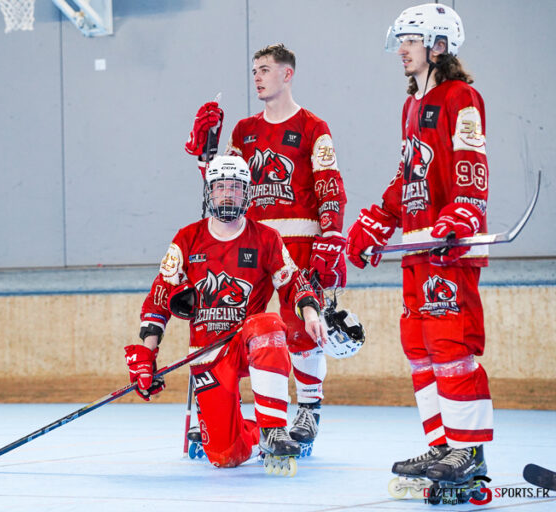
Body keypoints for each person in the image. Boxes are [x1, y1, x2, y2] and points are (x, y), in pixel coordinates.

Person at [346, 3, 491, 492]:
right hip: (415, 247)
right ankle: (440, 443)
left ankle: (467, 449)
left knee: (452, 345)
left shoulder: (461, 96)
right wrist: (376, 220)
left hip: (447, 247)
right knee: (420, 349)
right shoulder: (411, 106)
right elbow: (411, 175)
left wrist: (462, 215)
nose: (402, 49)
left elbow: (471, 165)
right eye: (401, 40)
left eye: (412, 39)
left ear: (439, 45)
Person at [184, 43, 347, 451]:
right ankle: (223, 411)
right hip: (252, 239)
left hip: (302, 237)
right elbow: (226, 184)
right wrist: (206, 156)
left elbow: (330, 186)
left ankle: (308, 407)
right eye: (254, 70)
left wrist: (331, 237)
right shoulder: (243, 130)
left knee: (297, 328)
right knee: (236, 322)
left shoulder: (313, 126)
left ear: (287, 74)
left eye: (265, 69)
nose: (256, 76)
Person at [124, 155, 326, 475]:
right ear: (209, 192)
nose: (228, 194)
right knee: (224, 456)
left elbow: (292, 281)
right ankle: (253, 429)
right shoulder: (187, 238)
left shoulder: (266, 238)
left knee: (268, 324)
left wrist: (311, 312)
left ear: (248, 193)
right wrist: (146, 355)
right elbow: (159, 298)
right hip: (206, 355)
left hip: (248, 342)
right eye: (220, 187)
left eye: (235, 187)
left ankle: (274, 429)